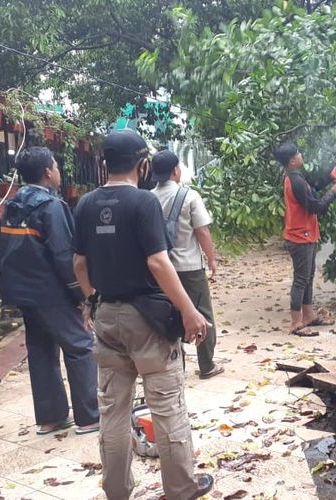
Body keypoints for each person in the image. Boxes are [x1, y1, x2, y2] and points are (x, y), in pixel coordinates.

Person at [72, 129, 212, 500]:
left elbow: (79, 263)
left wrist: (92, 301)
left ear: (104, 164)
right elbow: (157, 262)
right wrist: (189, 310)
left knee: (113, 413)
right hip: (147, 320)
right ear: (143, 164)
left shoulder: (85, 205)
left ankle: (116, 490)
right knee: (167, 408)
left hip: (107, 317)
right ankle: (181, 488)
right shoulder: (143, 203)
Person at [0, 147, 100, 435]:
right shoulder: (51, 207)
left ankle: (50, 418)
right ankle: (89, 416)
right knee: (80, 346)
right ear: (47, 172)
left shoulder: (13, 205)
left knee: (41, 351)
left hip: (24, 293)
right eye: (55, 165)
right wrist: (81, 295)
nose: (58, 171)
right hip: (52, 292)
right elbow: (63, 255)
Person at [151, 150, 223, 379]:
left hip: (161, 269)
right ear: (175, 170)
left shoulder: (148, 198)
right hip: (189, 267)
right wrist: (211, 259)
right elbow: (202, 231)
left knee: (167, 314)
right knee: (203, 315)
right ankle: (207, 365)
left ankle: (174, 364)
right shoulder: (190, 196)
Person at [274, 142, 336, 337]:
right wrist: (334, 193)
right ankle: (296, 322)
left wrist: (332, 173)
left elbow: (314, 189)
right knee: (301, 279)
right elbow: (316, 207)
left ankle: (308, 315)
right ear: (293, 160)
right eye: (298, 153)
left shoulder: (296, 178)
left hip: (305, 234)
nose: (301, 155)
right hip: (299, 236)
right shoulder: (294, 181)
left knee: (308, 276)